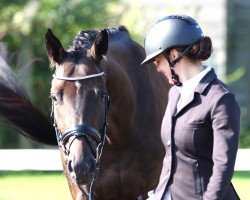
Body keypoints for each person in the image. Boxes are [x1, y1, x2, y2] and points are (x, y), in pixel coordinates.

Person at [141, 14, 240, 200]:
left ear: (173, 55)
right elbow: (171, 156)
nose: (157, 68)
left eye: (157, 61)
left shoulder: (220, 99)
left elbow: (223, 166)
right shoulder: (175, 94)